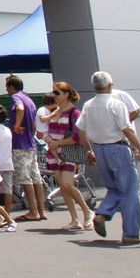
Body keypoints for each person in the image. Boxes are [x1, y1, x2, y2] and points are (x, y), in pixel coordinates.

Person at [77, 71, 140, 245]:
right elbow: (127, 129)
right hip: (117, 148)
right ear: (110, 85)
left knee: (114, 188)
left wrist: (88, 150)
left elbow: (80, 129)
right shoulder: (116, 104)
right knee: (130, 191)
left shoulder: (88, 105)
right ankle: (131, 233)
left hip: (99, 149)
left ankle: (103, 214)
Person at [41, 82, 91, 231]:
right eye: (53, 92)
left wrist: (57, 143)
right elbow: (43, 132)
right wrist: (48, 140)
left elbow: (76, 137)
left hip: (70, 151)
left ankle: (87, 211)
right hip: (54, 152)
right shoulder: (54, 112)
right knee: (63, 186)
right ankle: (74, 219)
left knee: (67, 183)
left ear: (66, 94)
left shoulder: (74, 113)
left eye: (57, 93)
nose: (54, 95)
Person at [4, 77, 46, 222]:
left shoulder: (16, 97)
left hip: (20, 144)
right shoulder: (29, 99)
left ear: (12, 87)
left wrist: (16, 125)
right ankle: (41, 211)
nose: (6, 90)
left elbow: (19, 108)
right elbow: (34, 123)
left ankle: (33, 211)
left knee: (25, 178)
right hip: (31, 143)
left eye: (7, 87)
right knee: (36, 177)